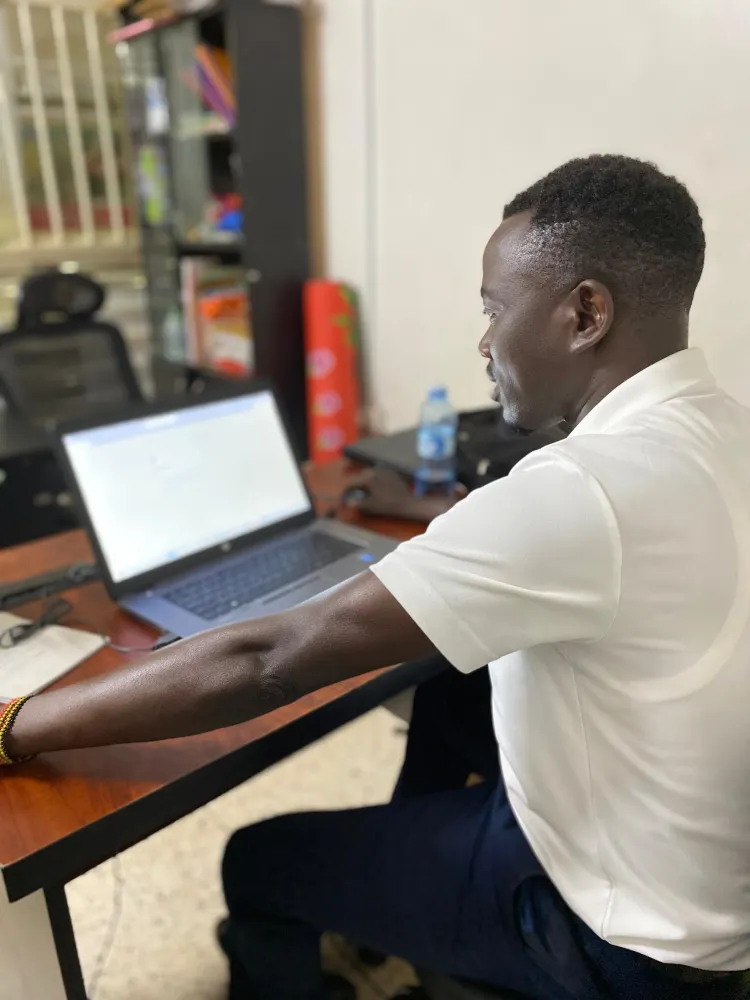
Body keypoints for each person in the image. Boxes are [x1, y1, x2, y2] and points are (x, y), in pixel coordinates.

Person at [2, 154, 749, 1000]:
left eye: (494, 310)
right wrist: (445, 508)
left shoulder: (580, 493)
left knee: (257, 859)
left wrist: (16, 723)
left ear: (585, 314)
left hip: (613, 940)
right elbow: (597, 546)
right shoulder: (721, 431)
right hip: (699, 878)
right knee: (449, 692)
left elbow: (264, 660)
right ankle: (391, 902)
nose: (485, 342)